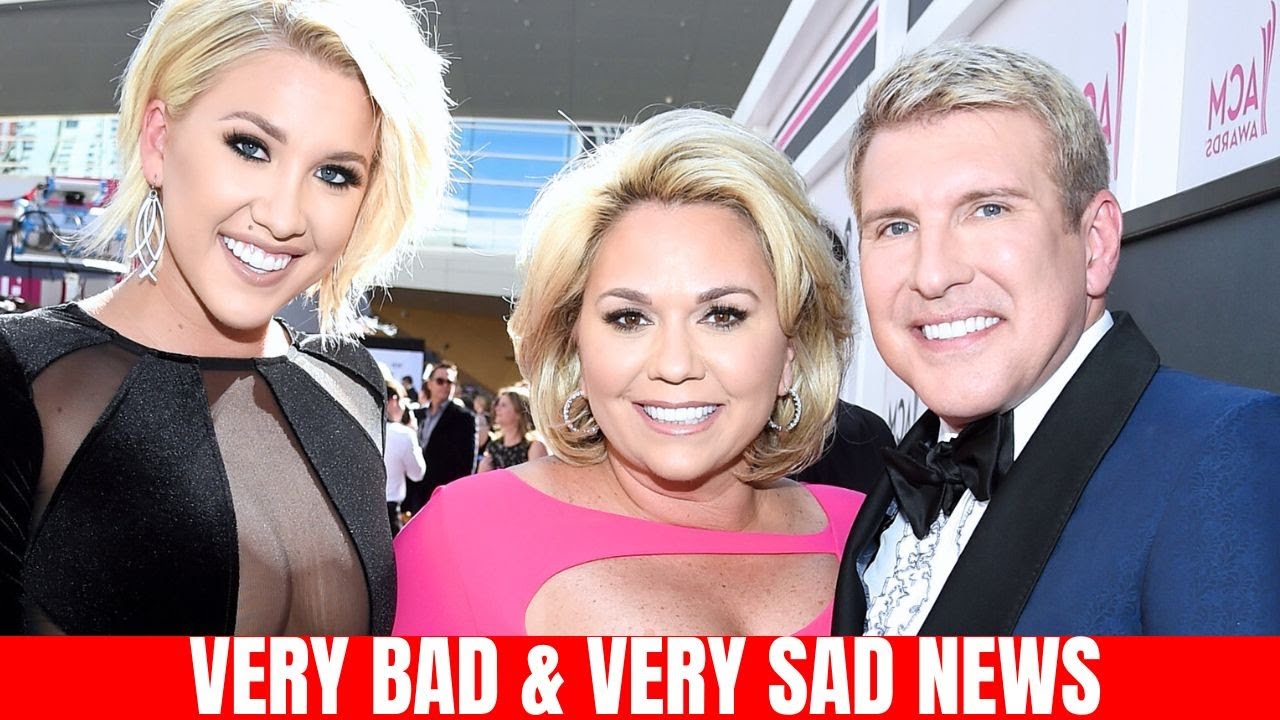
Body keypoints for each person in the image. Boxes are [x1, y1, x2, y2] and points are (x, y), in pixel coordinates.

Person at [0, 0, 453, 634]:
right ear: (159, 140)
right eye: (250, 146)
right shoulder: (27, 376)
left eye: (334, 174)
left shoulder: (350, 384)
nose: (283, 216)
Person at [832, 42, 1280, 636]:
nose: (933, 274)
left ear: (1095, 243)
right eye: (896, 226)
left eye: (989, 210)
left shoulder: (1222, 454)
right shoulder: (890, 486)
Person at [394, 108, 863, 635]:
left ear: (790, 350)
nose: (675, 365)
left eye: (722, 315)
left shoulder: (878, 536)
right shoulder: (463, 539)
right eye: (629, 318)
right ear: (575, 346)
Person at [403, 361, 476, 515]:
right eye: (440, 381)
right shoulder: (418, 414)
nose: (445, 386)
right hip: (415, 492)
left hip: (443, 493)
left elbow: (467, 463)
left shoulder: (464, 417)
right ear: (429, 384)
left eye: (450, 382)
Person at [384, 378, 426, 537]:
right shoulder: (404, 434)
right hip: (389, 514)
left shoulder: (361, 429)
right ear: (393, 401)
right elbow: (417, 474)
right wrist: (413, 436)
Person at [477, 385, 548, 471]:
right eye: (497, 404)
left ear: (519, 413)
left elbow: (537, 477)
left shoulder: (533, 447)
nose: (497, 409)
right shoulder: (493, 446)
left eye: (503, 405)